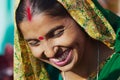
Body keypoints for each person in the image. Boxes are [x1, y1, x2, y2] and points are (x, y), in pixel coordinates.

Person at [14, 0, 120, 80]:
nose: (50, 53)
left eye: (57, 33)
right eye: (34, 43)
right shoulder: (47, 74)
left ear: (82, 19)